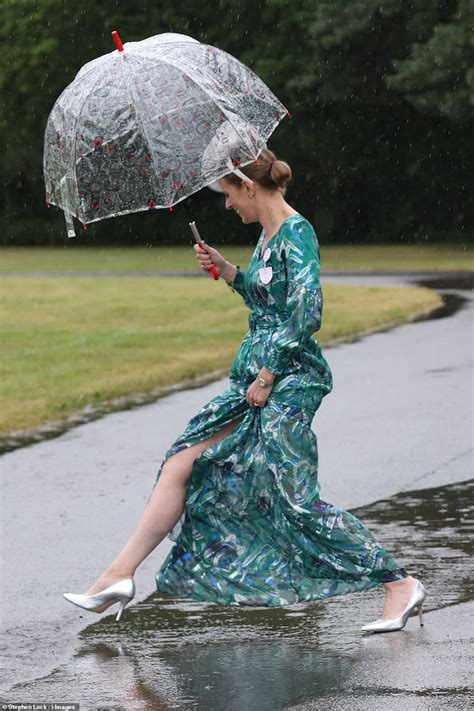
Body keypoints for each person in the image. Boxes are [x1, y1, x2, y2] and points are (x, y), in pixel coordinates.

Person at [63, 149, 426, 631]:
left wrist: (269, 373)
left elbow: (307, 312)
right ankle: (118, 575)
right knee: (182, 461)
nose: (229, 207)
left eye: (230, 195)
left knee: (294, 498)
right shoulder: (267, 236)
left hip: (289, 381)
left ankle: (399, 584)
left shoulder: (298, 233)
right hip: (254, 378)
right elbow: (268, 297)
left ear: (248, 187)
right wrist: (229, 271)